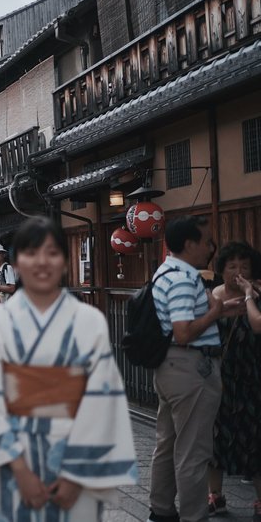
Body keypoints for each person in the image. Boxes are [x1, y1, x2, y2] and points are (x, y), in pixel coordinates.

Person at [0, 217, 138, 520]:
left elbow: (102, 398)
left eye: (52, 253)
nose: (41, 262)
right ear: (16, 263)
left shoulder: (88, 320)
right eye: (31, 254)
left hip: (76, 451)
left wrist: (75, 475)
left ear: (66, 261)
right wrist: (19, 469)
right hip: (15, 456)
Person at [147, 215, 223, 522]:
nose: (210, 247)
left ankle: (162, 510)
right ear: (189, 244)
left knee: (168, 444)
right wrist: (215, 311)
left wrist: (222, 309)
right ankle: (194, 516)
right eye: (206, 241)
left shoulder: (165, 272)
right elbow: (183, 331)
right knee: (193, 451)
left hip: (171, 366)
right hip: (190, 366)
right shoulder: (183, 278)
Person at [207, 241, 261, 519]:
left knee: (255, 439)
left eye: (244, 267)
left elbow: (257, 325)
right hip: (220, 378)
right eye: (232, 267)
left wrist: (250, 295)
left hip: (253, 377)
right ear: (222, 269)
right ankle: (215, 495)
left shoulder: (258, 295)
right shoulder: (213, 295)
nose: (238, 271)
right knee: (215, 439)